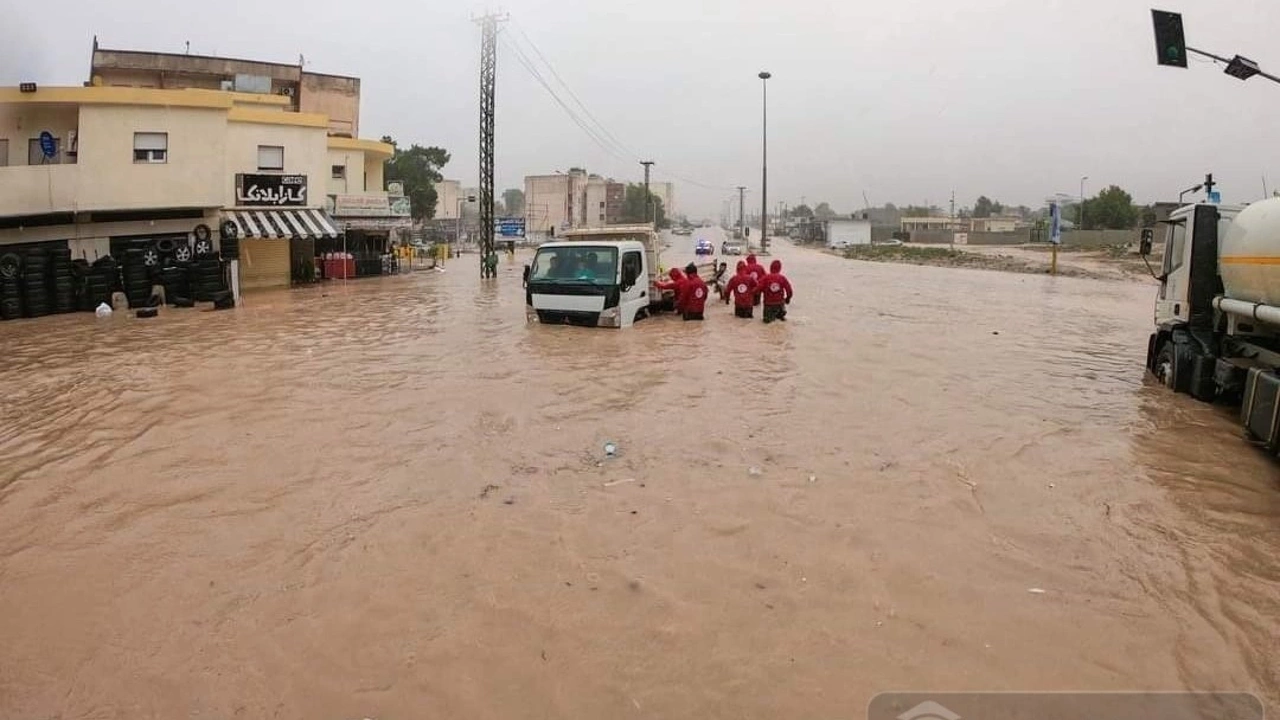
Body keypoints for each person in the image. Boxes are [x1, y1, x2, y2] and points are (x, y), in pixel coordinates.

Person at [757, 259, 793, 323]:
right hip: (780, 305)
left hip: (768, 305)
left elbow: (758, 289)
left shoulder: (765, 278)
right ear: (779, 269)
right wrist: (787, 299)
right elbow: (789, 291)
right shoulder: (782, 278)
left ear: (770, 268)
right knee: (780, 323)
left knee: (767, 324)